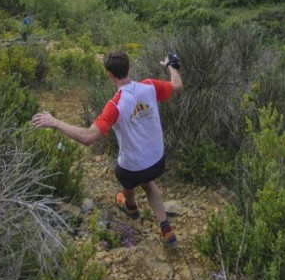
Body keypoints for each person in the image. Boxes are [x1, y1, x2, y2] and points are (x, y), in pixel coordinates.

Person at [30, 50, 183, 247]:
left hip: (133, 167)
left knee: (126, 176)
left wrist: (55, 122)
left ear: (109, 75)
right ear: (129, 68)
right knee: (147, 182)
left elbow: (88, 137)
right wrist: (171, 66)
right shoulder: (150, 86)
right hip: (158, 161)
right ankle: (166, 228)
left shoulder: (115, 105)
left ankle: (131, 207)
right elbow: (177, 85)